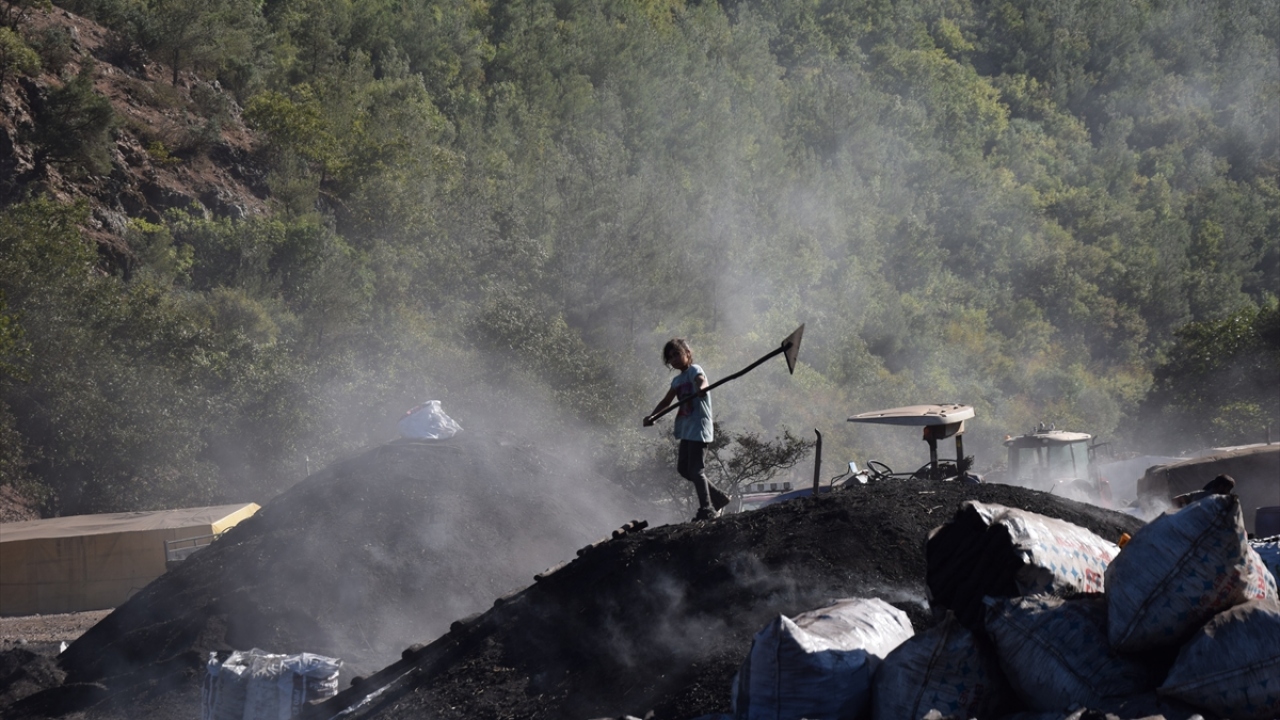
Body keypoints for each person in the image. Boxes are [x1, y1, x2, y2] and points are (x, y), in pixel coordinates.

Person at [644, 339, 731, 520]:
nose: (674, 359)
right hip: (686, 429)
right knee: (684, 469)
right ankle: (718, 497)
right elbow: (666, 402)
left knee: (696, 470)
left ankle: (707, 509)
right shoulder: (677, 381)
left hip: (698, 426)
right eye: (670, 358)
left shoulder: (694, 370)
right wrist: (653, 416)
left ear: (687, 353)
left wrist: (701, 389)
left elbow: (702, 381)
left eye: (676, 354)